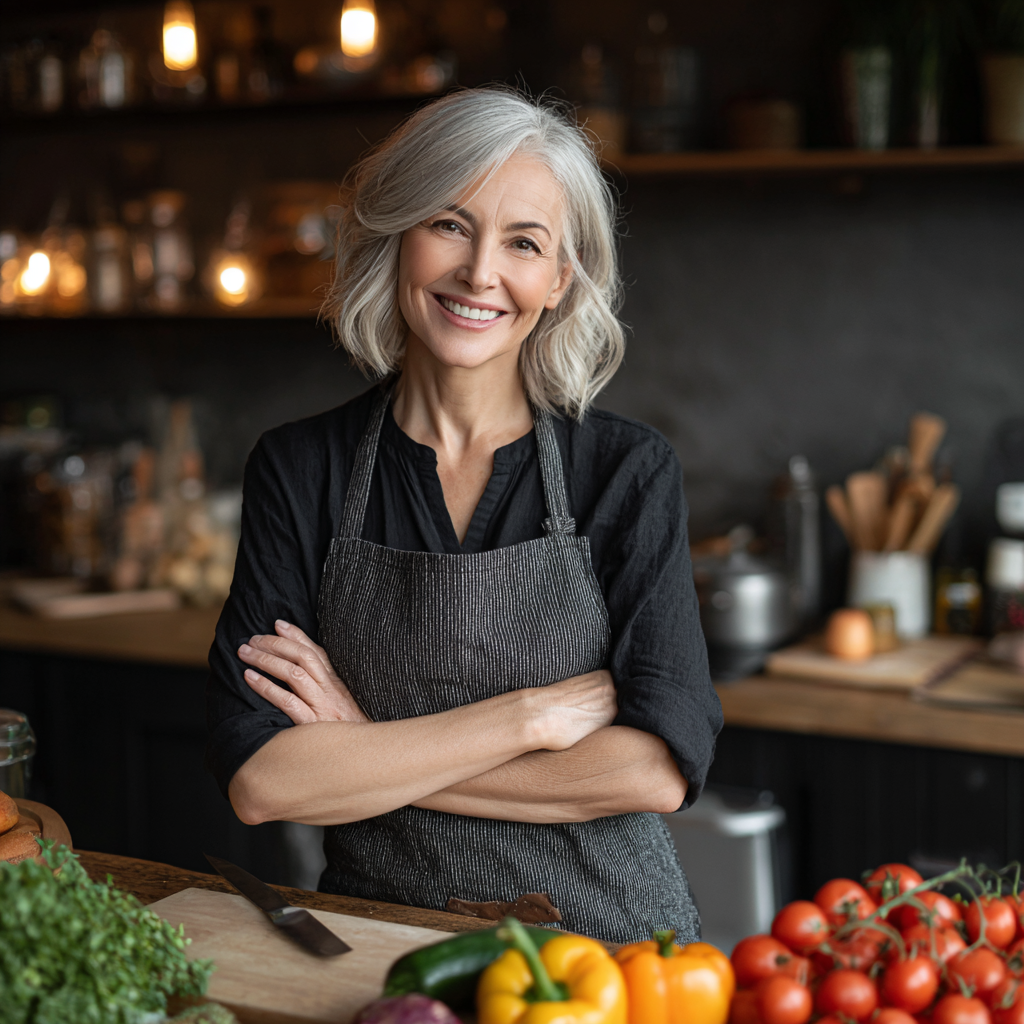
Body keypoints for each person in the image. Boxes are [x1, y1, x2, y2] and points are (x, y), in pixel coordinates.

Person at [205, 87, 721, 944]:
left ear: (559, 280)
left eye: (524, 242)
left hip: (610, 958)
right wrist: (529, 720)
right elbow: (264, 782)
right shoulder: (301, 470)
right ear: (398, 234)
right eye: (449, 223)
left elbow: (656, 769)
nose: (481, 273)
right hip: (379, 944)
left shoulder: (626, 472)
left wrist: (366, 746)